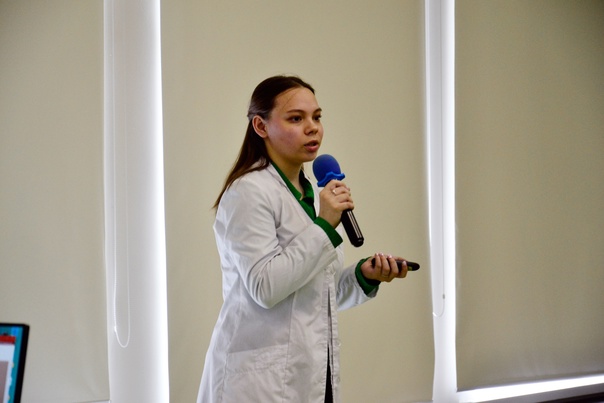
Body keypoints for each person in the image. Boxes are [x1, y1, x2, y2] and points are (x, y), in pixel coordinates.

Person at [197, 75, 410, 403]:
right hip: (259, 384)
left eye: (317, 117)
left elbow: (314, 295)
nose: (313, 128)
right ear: (261, 126)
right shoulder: (249, 192)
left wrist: (363, 277)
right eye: (296, 119)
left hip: (311, 377)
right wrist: (324, 225)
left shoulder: (310, 192)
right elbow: (266, 287)